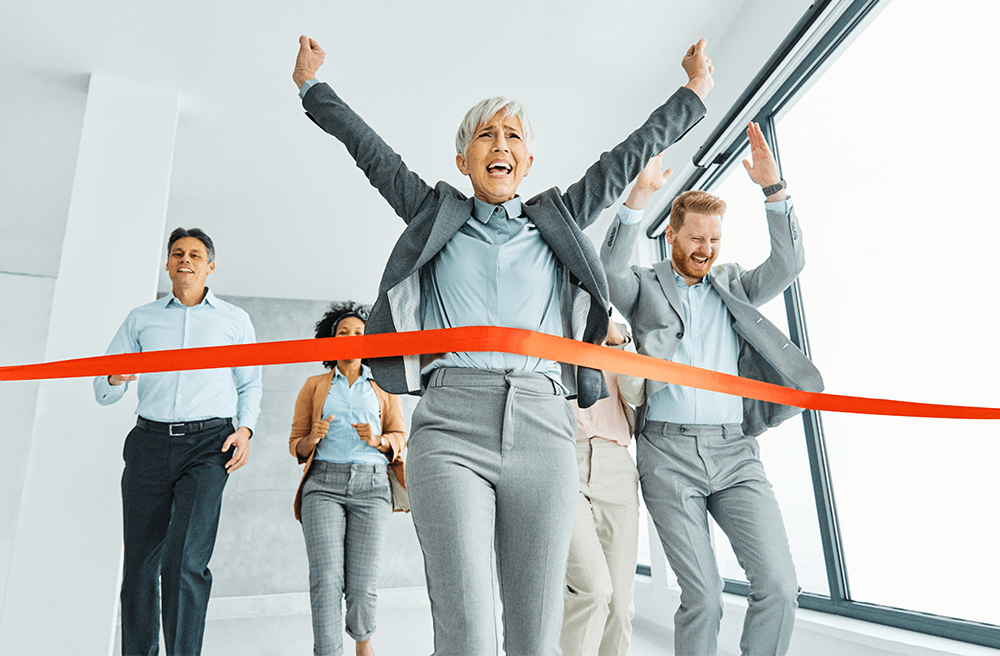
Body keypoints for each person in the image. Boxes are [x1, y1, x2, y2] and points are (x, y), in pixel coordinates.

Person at [291, 34, 712, 655]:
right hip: (451, 426)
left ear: (528, 164)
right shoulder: (434, 213)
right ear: (464, 160)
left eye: (513, 137)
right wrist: (311, 86)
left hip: (544, 427)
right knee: (466, 633)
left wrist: (694, 93)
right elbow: (372, 154)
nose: (501, 146)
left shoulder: (558, 220)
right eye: (487, 136)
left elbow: (628, 155)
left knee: (535, 636)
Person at [600, 124, 824, 656]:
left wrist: (775, 191)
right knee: (704, 596)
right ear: (673, 235)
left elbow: (789, 263)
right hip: (668, 453)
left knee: (780, 588)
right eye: (696, 238)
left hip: (735, 453)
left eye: (715, 240)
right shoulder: (646, 286)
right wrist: (638, 199)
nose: (706, 249)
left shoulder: (735, 284)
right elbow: (607, 269)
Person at [94, 227, 262, 656]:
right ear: (168, 264)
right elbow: (102, 387)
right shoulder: (141, 319)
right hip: (148, 445)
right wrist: (114, 377)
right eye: (176, 253)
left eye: (194, 254)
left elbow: (250, 385)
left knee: (184, 561)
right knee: (140, 567)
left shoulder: (234, 321)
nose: (184, 259)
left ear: (209, 267)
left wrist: (245, 431)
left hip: (209, 447)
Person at [288, 302, 406, 656]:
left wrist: (379, 440)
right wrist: (313, 438)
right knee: (326, 580)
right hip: (323, 485)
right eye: (343, 333)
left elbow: (400, 435)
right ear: (331, 341)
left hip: (372, 488)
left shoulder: (383, 387)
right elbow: (296, 443)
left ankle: (363, 643)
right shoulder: (314, 386)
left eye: (360, 333)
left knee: (363, 581)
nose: (352, 338)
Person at [560, 318, 645, 656]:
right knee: (593, 591)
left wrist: (620, 340)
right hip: (563, 459)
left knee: (621, 606)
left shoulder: (615, 328)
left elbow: (637, 393)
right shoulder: (542, 320)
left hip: (616, 464)